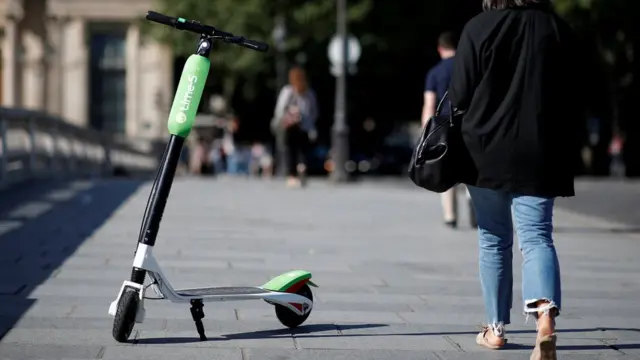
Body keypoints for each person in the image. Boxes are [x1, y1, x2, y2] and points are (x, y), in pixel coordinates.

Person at [449, 0, 587, 359]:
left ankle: (495, 329)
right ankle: (545, 320)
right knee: (538, 236)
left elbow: (460, 91)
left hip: (483, 149)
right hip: (541, 148)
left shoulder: (479, 27)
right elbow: (579, 89)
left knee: (493, 237)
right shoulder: (556, 28)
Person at [422, 31, 475, 229]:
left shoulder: (435, 72)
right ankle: (474, 206)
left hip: (444, 127)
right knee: (470, 170)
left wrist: (426, 132)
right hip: (469, 124)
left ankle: (450, 216)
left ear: (439, 48)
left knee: (447, 171)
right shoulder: (469, 68)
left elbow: (429, 104)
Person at [272, 66, 318, 188]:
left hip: (290, 126)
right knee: (302, 150)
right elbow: (314, 112)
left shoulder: (288, 90)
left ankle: (292, 176)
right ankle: (302, 167)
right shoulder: (309, 93)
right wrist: (310, 124)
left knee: (290, 150)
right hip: (305, 127)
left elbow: (280, 109)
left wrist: (279, 122)